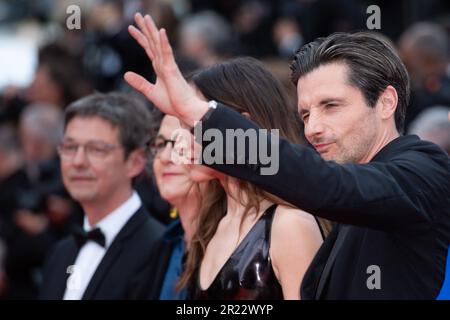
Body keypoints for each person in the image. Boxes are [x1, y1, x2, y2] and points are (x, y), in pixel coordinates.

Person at [124, 14, 450, 299]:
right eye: (305, 115)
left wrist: (202, 117)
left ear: (385, 102)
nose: (314, 129)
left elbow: (327, 185)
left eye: (331, 106)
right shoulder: (351, 205)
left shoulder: (423, 168)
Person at [177, 57, 325, 300]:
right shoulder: (211, 221)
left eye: (194, 126)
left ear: (241, 125)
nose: (182, 142)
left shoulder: (290, 224)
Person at [40, 92, 164, 300]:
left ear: (135, 162)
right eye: (70, 147)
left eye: (96, 149)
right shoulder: (60, 253)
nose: (78, 161)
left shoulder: (158, 249)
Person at [143, 113, 205, 299]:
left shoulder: (237, 247)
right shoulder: (164, 245)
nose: (165, 157)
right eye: (160, 144)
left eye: (181, 144)